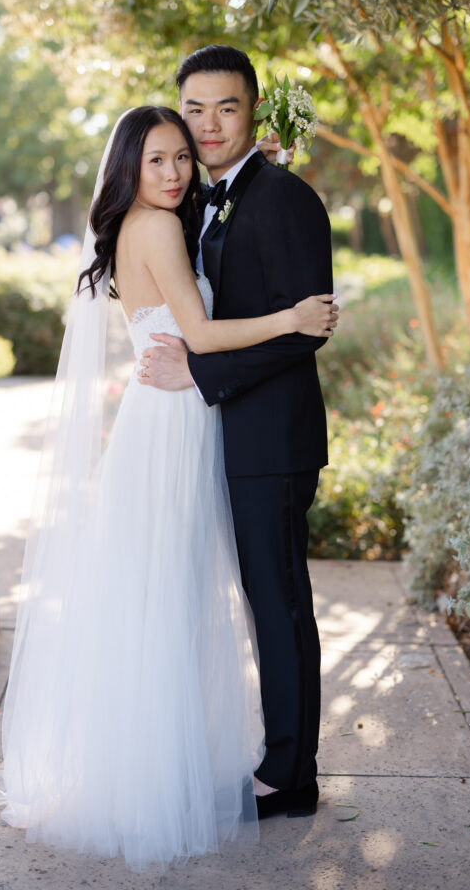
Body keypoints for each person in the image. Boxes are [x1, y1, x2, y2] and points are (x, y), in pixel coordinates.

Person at [0, 105, 337, 871]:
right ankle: (147, 780)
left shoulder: (156, 218)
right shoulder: (154, 228)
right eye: (157, 162)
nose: (175, 173)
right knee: (165, 600)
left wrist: (257, 160)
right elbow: (202, 335)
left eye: (183, 157)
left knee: (163, 597)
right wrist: (293, 316)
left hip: (172, 415)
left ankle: (154, 764)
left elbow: (204, 253)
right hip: (171, 425)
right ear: (129, 170)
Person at [138, 46, 335, 821]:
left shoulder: (282, 197)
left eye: (226, 107)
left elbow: (305, 328)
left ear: (251, 109)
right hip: (233, 438)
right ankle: (275, 758)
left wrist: (200, 372)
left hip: (273, 443)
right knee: (259, 601)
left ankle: (290, 776)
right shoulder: (214, 194)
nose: (210, 123)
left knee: (279, 604)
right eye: (195, 109)